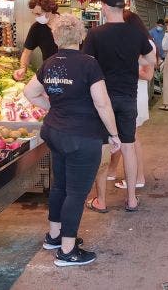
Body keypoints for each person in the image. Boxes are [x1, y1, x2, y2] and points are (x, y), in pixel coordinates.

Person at [23, 14, 121, 267]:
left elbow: (29, 92)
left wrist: (52, 107)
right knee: (76, 193)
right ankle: (67, 251)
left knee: (59, 187)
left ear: (55, 38)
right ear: (81, 36)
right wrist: (114, 133)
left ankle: (54, 236)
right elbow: (102, 102)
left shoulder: (50, 63)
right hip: (82, 136)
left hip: (55, 133)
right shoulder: (89, 64)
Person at [81, 0, 156, 212]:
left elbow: (87, 64)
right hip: (128, 98)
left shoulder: (95, 34)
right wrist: (133, 56)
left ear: (104, 7)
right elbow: (152, 59)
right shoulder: (136, 33)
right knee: (128, 146)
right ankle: (132, 199)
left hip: (103, 99)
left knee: (104, 148)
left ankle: (101, 200)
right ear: (122, 7)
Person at [105, 11, 155, 190]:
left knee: (131, 139)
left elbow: (148, 74)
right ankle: (112, 171)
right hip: (128, 93)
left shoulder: (145, 43)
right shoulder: (134, 41)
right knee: (124, 136)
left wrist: (123, 68)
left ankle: (138, 177)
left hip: (135, 94)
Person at [14, 0, 60, 80]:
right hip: (49, 73)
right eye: (34, 14)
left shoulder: (66, 24)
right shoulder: (36, 28)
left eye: (39, 14)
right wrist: (23, 68)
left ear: (49, 10)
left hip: (71, 72)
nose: (36, 17)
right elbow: (26, 52)